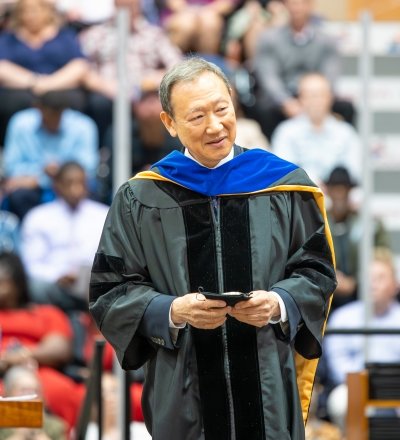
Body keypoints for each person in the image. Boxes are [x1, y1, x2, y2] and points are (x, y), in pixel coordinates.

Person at [88, 57, 337, 439]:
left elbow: (316, 271)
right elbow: (110, 291)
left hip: (267, 386)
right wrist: (170, 310)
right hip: (184, 391)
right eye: (197, 116)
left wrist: (280, 303)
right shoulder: (141, 197)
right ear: (169, 123)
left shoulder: (283, 186)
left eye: (222, 109)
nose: (215, 126)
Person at [0, 251, 85, 430]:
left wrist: (16, 358)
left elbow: (59, 349)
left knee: (61, 391)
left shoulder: (45, 313)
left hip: (40, 371)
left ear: (17, 280)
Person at [251, 0, 354, 140]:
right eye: (293, 3)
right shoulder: (269, 38)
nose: (297, 8)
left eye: (302, 3)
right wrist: (285, 102)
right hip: (284, 96)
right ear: (286, 6)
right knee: (263, 109)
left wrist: (317, 99)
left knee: (346, 108)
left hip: (316, 93)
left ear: (310, 5)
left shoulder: (327, 40)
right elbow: (269, 77)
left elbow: (330, 75)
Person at [323, 247, 400, 432]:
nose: (373, 284)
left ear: (395, 284)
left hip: (396, 388)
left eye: (380, 278)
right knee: (341, 401)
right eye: (369, 278)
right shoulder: (342, 318)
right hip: (353, 386)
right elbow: (337, 365)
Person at [2, 90, 99, 219]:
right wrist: (42, 176)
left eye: (57, 116)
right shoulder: (20, 123)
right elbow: (12, 167)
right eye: (49, 115)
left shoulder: (83, 126)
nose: (53, 121)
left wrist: (59, 173)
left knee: (92, 192)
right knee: (18, 196)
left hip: (70, 184)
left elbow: (89, 167)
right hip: (33, 188)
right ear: (38, 109)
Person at [271, 73, 362, 187]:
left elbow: (355, 173)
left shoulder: (346, 133)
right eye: (311, 95)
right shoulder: (285, 132)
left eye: (321, 95)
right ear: (300, 98)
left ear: (330, 97)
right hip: (300, 198)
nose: (316, 101)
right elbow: (283, 173)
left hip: (337, 198)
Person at [324, 166, 389, 310]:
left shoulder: (367, 223)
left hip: (362, 289)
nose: (339, 194)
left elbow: (382, 255)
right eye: (335, 189)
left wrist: (356, 281)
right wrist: (332, 278)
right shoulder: (318, 223)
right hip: (326, 292)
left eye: (343, 189)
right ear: (328, 191)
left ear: (350, 191)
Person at [0, 366, 68, 440]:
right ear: (8, 393)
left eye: (35, 391)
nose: (30, 397)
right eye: (24, 391)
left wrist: (37, 435)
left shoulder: (55, 426)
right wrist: (20, 436)